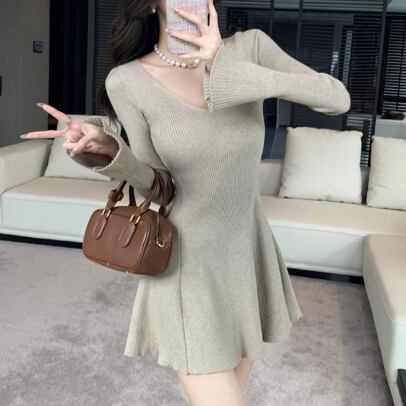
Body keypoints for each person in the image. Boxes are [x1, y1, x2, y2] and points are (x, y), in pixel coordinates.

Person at [21, 0, 351, 404]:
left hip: (247, 256)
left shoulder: (250, 48)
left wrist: (225, 64)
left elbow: (336, 98)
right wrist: (112, 153)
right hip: (186, 265)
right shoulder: (128, 81)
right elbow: (159, 188)